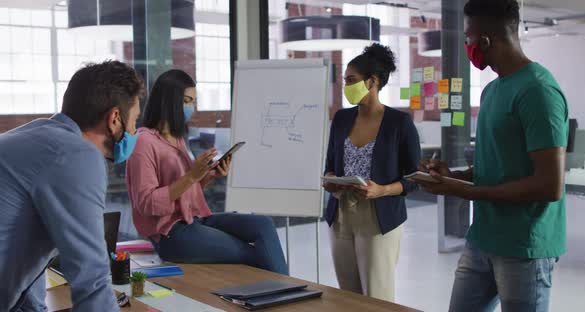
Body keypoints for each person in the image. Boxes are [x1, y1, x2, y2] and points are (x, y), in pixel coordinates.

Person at [415, 1, 568, 311]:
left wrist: (466, 191)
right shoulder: (492, 90)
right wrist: (455, 176)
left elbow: (549, 185)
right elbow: (496, 163)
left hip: (523, 246)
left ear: (484, 41)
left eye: (468, 37)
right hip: (483, 237)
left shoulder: (537, 91)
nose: (466, 45)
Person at [0, 61, 144, 311]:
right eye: (134, 121)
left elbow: (25, 252)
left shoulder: (36, 137)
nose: (134, 131)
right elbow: (91, 278)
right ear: (114, 118)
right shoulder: (75, 155)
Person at [125, 69, 288, 275]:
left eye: (193, 101)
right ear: (168, 101)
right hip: (171, 235)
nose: (191, 107)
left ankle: (286, 294)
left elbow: (184, 193)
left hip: (195, 219)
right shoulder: (143, 142)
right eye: (186, 100)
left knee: (263, 225)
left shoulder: (178, 139)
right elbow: (147, 203)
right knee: (254, 254)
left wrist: (208, 176)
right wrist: (191, 176)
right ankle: (288, 298)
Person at [323, 43, 421, 302]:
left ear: (372, 81)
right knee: (347, 296)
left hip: (378, 217)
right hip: (340, 214)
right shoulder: (341, 119)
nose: (346, 87)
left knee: (377, 297)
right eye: (345, 80)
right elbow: (330, 164)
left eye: (351, 80)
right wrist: (331, 181)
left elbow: (414, 178)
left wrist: (382, 190)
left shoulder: (399, 123)